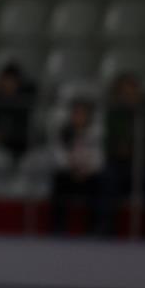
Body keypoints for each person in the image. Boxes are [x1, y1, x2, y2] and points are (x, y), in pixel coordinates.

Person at [98, 72, 145, 237]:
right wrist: (119, 150)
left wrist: (140, 152)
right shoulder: (115, 114)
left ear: (138, 91)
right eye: (123, 93)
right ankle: (106, 224)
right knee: (108, 177)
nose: (127, 96)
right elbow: (108, 141)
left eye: (130, 92)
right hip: (122, 163)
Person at [49, 97, 103, 234]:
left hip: (88, 174)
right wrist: (72, 168)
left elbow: (98, 157)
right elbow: (58, 154)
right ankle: (58, 226)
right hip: (69, 173)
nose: (79, 117)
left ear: (88, 116)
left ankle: (94, 227)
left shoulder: (94, 133)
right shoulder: (64, 133)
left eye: (82, 114)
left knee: (100, 182)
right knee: (59, 180)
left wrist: (86, 169)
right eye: (76, 114)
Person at [0, 63, 35, 159]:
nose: (8, 84)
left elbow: (22, 134)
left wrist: (3, 136)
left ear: (17, 83)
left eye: (11, 81)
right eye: (5, 80)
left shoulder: (22, 104)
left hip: (17, 149)